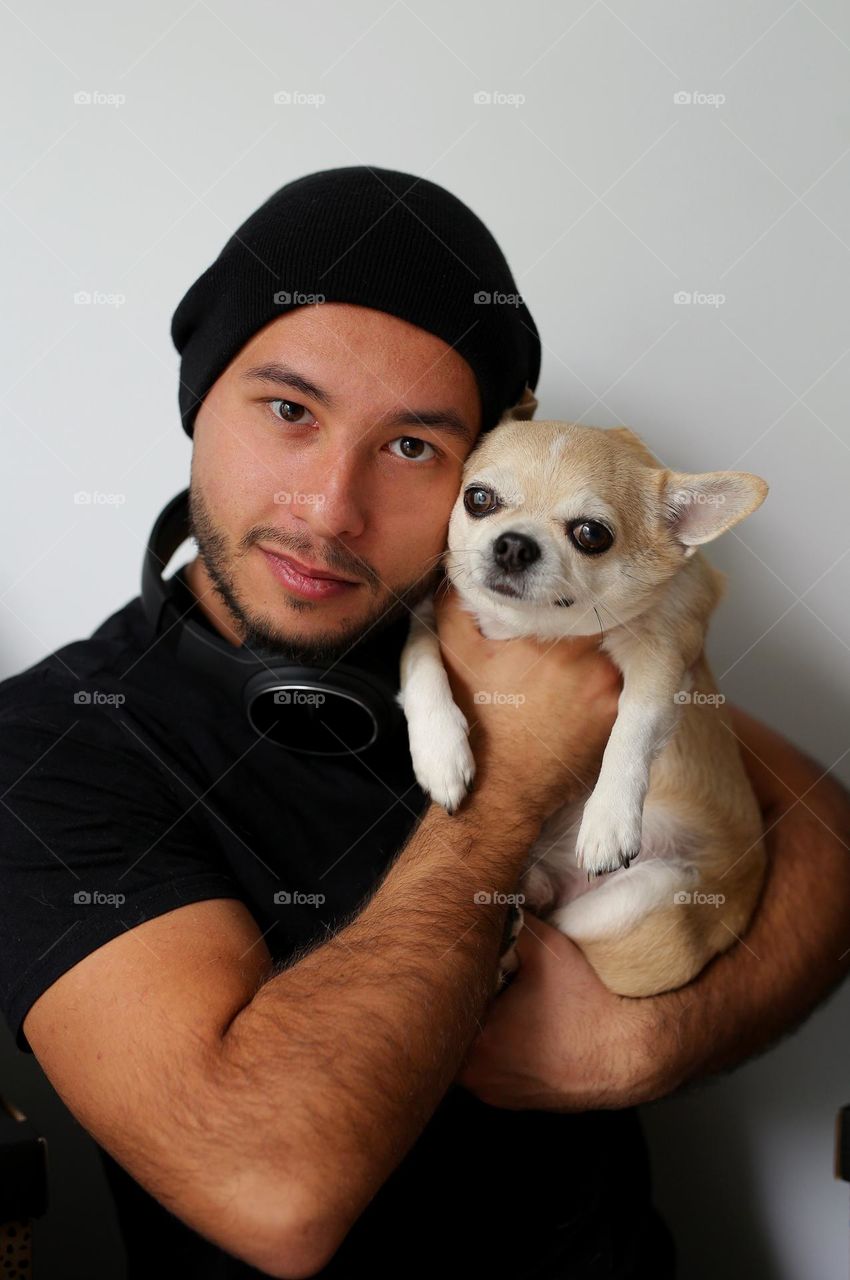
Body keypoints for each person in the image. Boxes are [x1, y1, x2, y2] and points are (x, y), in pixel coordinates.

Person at [1, 166, 848, 1280]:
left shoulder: (531, 622)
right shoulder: (58, 742)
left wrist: (644, 1038)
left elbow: (823, 832)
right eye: (289, 409)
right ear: (197, 395)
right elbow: (273, 1190)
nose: (330, 508)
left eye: (411, 446)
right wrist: (506, 795)